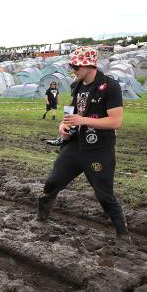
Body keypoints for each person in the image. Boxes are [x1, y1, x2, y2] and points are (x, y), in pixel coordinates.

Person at [36, 47, 131, 244]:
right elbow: (71, 115)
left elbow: (116, 122)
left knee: (104, 195)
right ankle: (41, 218)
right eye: (71, 65)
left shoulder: (110, 86)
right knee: (52, 183)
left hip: (99, 150)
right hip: (75, 146)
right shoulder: (76, 85)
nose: (73, 69)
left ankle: (122, 234)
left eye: (76, 66)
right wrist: (64, 125)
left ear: (90, 65)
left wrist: (82, 120)